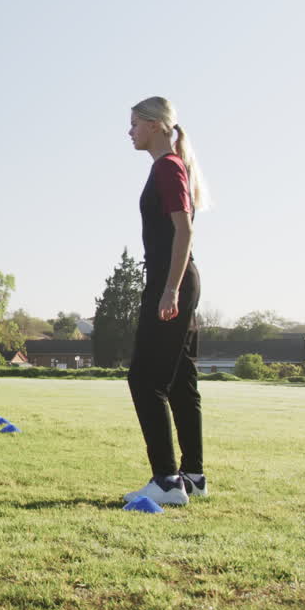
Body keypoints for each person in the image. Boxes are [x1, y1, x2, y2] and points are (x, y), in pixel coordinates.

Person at [123, 96, 210, 506]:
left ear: (157, 125)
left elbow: (185, 231)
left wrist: (170, 289)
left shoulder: (167, 167)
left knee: (144, 378)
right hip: (177, 281)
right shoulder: (169, 166)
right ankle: (193, 475)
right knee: (179, 380)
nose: (130, 131)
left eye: (135, 123)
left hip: (170, 283)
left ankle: (167, 482)